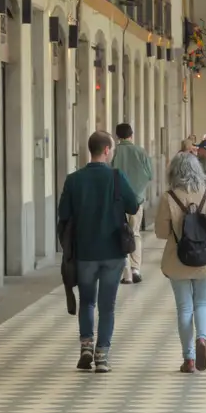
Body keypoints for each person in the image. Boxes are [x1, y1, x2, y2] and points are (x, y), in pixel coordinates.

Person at [57, 130, 141, 373]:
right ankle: (102, 355)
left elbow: (64, 215)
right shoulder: (116, 177)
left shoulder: (73, 180)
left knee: (87, 301)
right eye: (111, 149)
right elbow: (133, 205)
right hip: (113, 251)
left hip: (84, 251)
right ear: (106, 150)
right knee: (107, 305)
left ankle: (86, 346)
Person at [156, 152, 206, 373]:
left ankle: (189, 359)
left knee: (184, 308)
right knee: (203, 303)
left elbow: (161, 232)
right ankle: (202, 339)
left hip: (178, 259)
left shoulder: (168, 197)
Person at [110, 123, 154, 284]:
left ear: (117, 136)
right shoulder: (140, 152)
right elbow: (150, 175)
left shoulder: (114, 153)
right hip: (136, 200)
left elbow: (110, 174)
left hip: (117, 201)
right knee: (134, 233)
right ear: (131, 135)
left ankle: (126, 272)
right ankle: (136, 268)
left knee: (120, 234)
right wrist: (137, 191)